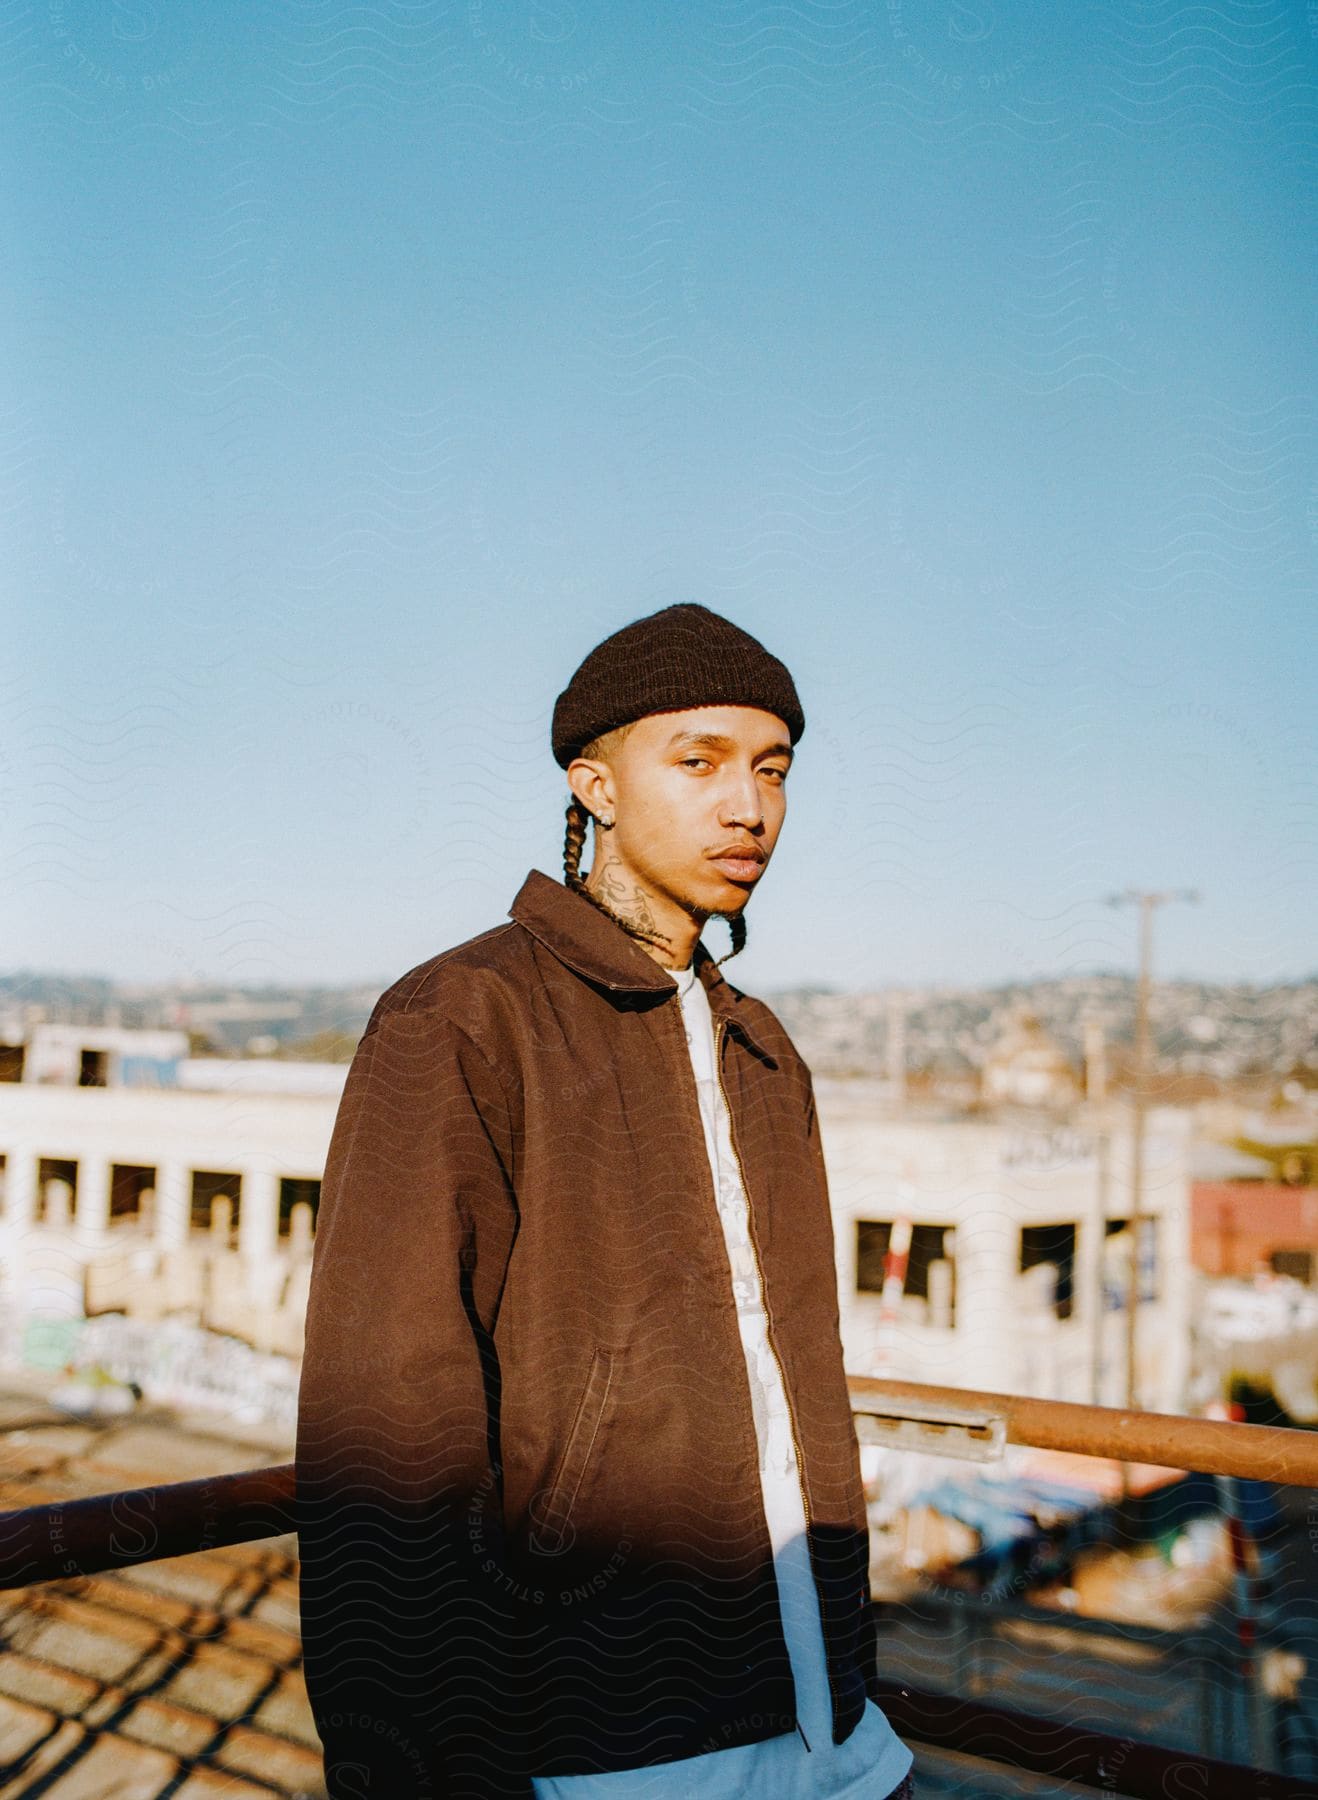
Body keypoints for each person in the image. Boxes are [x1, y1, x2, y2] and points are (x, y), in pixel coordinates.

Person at [296, 603, 917, 1800]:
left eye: (771, 768)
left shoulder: (761, 1049)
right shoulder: (464, 1017)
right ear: (595, 785)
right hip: (610, 1748)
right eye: (698, 761)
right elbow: (389, 1433)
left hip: (832, 1734)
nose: (748, 805)